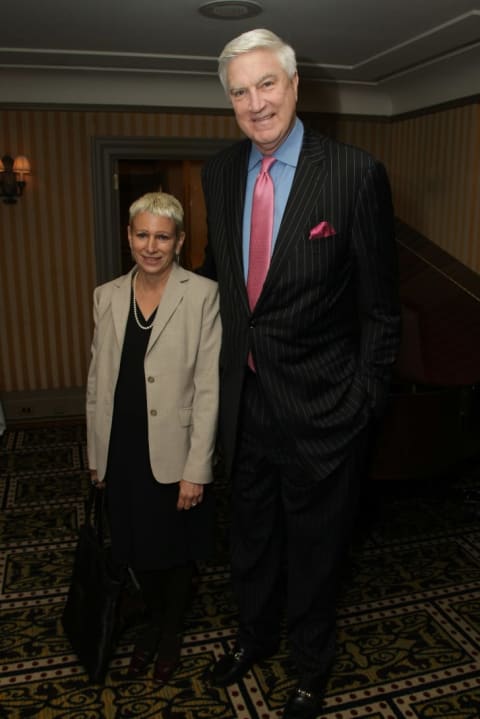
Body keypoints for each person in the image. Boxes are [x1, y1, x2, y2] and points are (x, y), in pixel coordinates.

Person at [200, 29, 401, 719]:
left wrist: (363, 401)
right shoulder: (218, 172)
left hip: (324, 411)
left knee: (316, 555)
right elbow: (225, 277)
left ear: (294, 86)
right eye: (239, 91)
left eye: (266, 84)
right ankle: (252, 638)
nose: (255, 103)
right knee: (249, 539)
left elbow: (381, 309)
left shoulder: (353, 174)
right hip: (246, 402)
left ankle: (311, 667)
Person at [85, 191, 221, 683]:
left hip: (173, 452)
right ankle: (148, 625)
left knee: (174, 552)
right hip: (121, 450)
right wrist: (96, 454)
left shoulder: (203, 294)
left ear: (180, 241)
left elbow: (209, 389)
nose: (151, 246)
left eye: (162, 236)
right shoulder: (106, 295)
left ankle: (167, 634)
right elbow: (98, 381)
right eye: (142, 234)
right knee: (133, 548)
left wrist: (196, 468)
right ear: (128, 236)